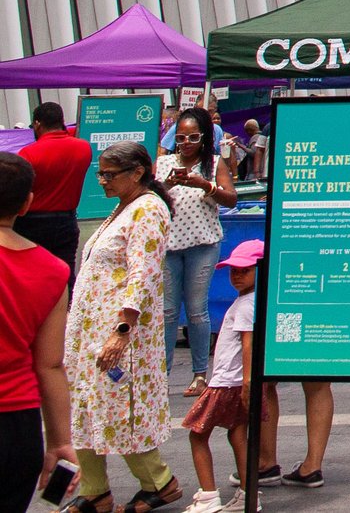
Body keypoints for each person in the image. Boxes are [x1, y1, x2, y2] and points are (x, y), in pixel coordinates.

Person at [65, 144, 180, 513]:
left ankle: (159, 483)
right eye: (100, 173)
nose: (103, 181)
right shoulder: (124, 208)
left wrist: (122, 329)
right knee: (86, 406)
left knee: (121, 410)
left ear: (138, 172)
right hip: (92, 333)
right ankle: (94, 489)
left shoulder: (148, 209)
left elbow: (143, 274)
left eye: (110, 174)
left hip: (120, 334)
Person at [0, 153, 71, 513]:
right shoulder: (53, 270)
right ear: (27, 203)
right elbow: (50, 365)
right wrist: (60, 441)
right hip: (19, 426)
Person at [179, 241, 273, 513]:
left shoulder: (246, 306)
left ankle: (208, 496)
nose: (237, 276)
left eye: (245, 270)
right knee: (238, 434)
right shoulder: (253, 301)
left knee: (197, 435)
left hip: (227, 383)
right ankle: (248, 494)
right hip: (237, 382)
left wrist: (247, 381)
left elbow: (248, 344)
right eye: (234, 271)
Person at [155, 109, 236, 401]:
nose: (186, 143)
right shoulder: (163, 163)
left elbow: (231, 198)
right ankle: (160, 377)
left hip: (203, 244)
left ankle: (200, 374)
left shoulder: (213, 164)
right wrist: (168, 184)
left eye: (192, 137)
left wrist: (205, 185)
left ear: (204, 137)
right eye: (180, 138)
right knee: (167, 312)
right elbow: (148, 197)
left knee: (196, 310)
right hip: (169, 246)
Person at [15, 106, 89, 277]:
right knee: (65, 272)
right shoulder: (84, 148)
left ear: (37, 124)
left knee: (32, 273)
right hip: (67, 221)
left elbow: (18, 189)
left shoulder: (28, 153)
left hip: (31, 223)